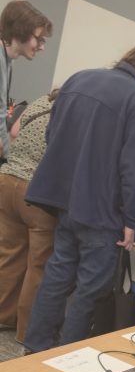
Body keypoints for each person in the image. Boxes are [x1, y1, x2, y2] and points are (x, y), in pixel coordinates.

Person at [23, 43, 135, 352]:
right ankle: (65, 358)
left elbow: (52, 135)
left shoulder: (79, 78)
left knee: (56, 277)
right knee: (89, 292)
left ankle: (34, 349)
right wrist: (132, 221)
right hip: (102, 215)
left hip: (65, 205)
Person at [0, 90, 59, 342]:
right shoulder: (70, 114)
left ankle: (3, 316)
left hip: (7, 180)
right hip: (37, 192)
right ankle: (26, 332)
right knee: (38, 265)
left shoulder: (41, 101)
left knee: (9, 253)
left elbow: (13, 131)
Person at [0, 0, 51, 166]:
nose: (42, 47)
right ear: (21, 31)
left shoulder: (8, 60)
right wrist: (7, 158)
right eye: (39, 39)